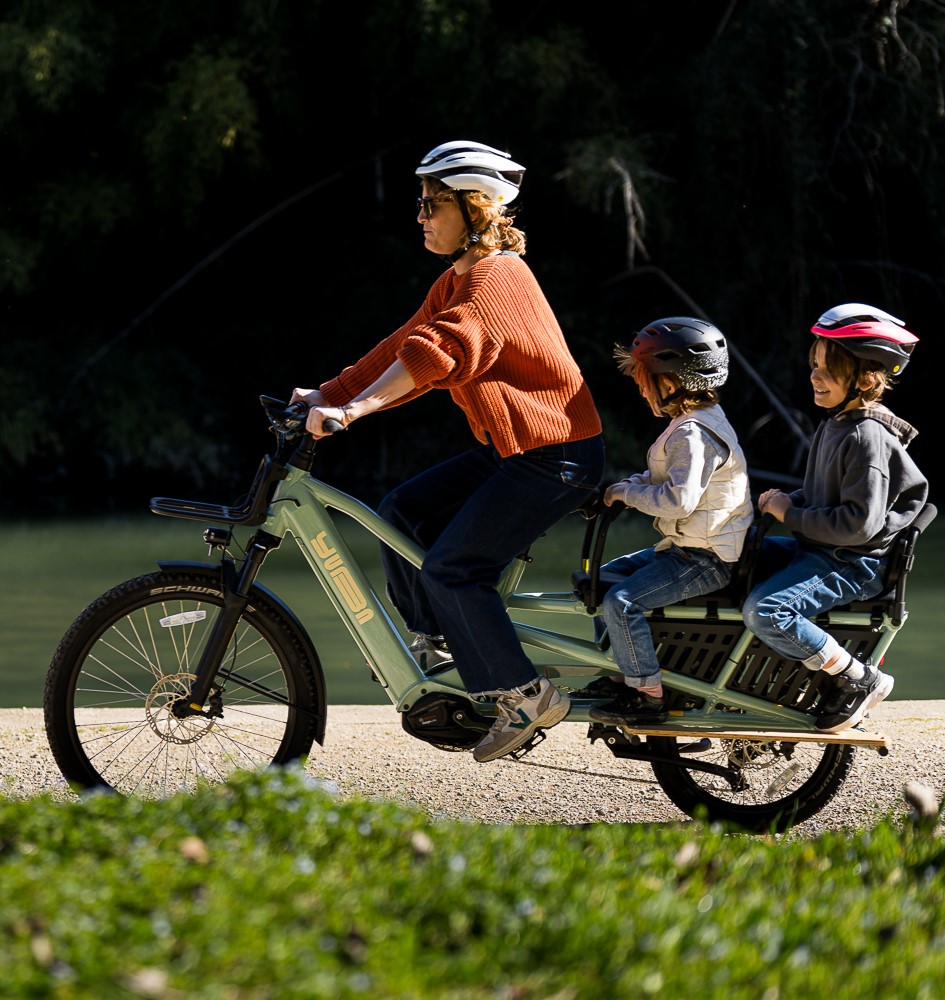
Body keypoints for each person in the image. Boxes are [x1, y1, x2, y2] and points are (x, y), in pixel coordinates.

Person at [291, 140, 605, 762]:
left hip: (556, 458)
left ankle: (526, 693)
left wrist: (354, 410)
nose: (422, 215)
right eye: (422, 202)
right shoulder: (459, 277)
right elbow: (405, 342)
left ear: (477, 208)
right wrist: (327, 392)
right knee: (401, 511)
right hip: (510, 450)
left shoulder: (495, 279)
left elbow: (438, 353)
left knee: (455, 569)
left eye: (434, 203)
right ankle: (438, 645)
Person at [742, 303, 929, 733]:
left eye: (828, 369)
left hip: (852, 562)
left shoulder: (867, 437)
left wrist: (789, 513)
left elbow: (857, 524)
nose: (814, 375)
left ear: (865, 379)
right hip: (822, 549)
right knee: (729, 560)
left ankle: (859, 678)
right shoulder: (838, 424)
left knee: (767, 610)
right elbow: (821, 493)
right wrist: (784, 500)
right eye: (814, 365)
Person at [584, 317, 754, 725]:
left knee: (620, 602)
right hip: (687, 549)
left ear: (672, 381)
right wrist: (628, 485)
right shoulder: (697, 422)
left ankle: (645, 693)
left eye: (645, 381)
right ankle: (622, 671)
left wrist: (627, 494)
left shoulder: (692, 434)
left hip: (705, 559)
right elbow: (670, 478)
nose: (641, 390)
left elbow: (679, 500)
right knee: (601, 578)